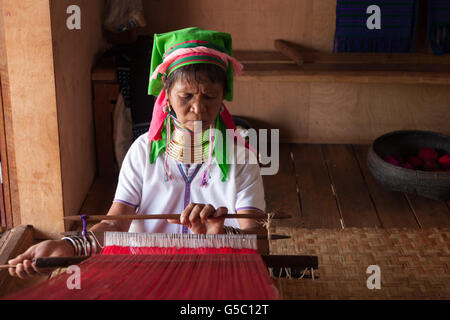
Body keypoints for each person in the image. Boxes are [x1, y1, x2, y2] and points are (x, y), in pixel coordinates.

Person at [8, 27, 267, 279]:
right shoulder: (143, 153)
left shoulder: (239, 158)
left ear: (223, 97)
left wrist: (220, 236)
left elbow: (260, 240)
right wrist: (67, 247)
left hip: (217, 274)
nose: (198, 109)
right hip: (147, 272)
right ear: (165, 91)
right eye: (186, 96)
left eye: (210, 96)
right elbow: (113, 225)